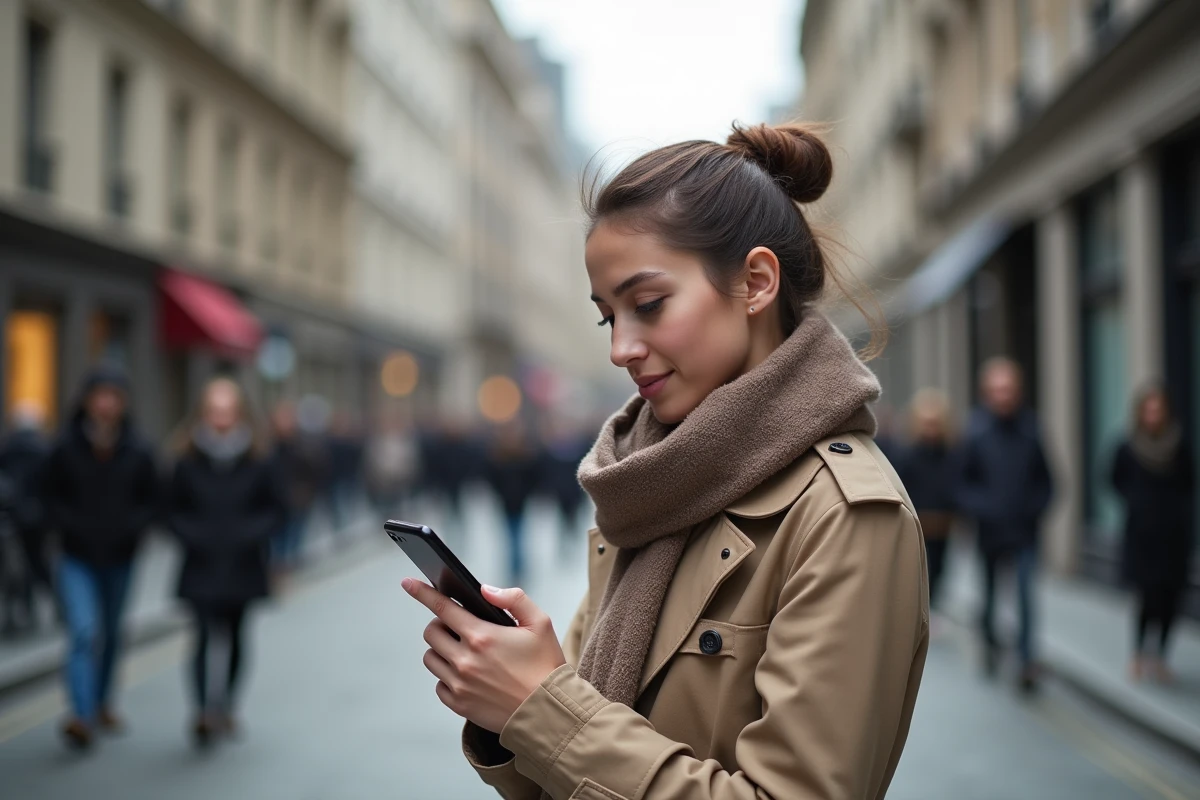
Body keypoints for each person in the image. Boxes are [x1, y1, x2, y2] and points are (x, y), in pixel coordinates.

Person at [402, 123, 928, 800]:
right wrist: (509, 710)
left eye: (648, 305)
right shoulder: (646, 485)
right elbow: (575, 771)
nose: (621, 347)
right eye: (607, 317)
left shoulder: (846, 515)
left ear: (757, 283)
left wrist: (542, 707)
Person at [41, 366, 159, 749]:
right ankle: (82, 713)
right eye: (100, 396)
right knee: (83, 632)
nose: (106, 404)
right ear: (88, 401)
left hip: (120, 557)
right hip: (76, 555)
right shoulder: (65, 446)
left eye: (114, 396)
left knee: (110, 634)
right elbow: (48, 497)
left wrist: (133, 529)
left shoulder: (139, 449)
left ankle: (103, 700)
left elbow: (152, 500)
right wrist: (67, 527)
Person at [167, 378, 285, 747]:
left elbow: (276, 509)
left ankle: (226, 705)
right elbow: (170, 508)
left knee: (234, 636)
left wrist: (249, 534)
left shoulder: (258, 457)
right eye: (214, 410)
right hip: (201, 562)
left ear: (238, 413)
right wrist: (193, 535)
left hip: (243, 564)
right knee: (201, 637)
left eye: (227, 410)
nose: (220, 418)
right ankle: (203, 711)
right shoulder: (186, 458)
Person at [956, 357, 1054, 692]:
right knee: (990, 596)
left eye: (1008, 389)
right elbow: (961, 484)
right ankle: (989, 643)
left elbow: (1049, 481)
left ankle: (1026, 661)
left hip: (1025, 531)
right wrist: (985, 509)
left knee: (1027, 598)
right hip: (990, 532)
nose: (1004, 395)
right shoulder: (975, 432)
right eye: (997, 390)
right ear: (987, 393)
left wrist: (1034, 509)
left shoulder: (1030, 430)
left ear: (1018, 391)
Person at [1111, 384, 1194, 684]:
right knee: (1146, 597)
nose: (1153, 415)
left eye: (1158, 409)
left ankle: (1160, 657)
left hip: (1173, 537)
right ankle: (1138, 654)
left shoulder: (1179, 446)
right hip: (1142, 537)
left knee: (1170, 598)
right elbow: (1113, 479)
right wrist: (1137, 502)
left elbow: (1189, 483)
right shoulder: (1127, 447)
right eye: (1148, 409)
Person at [895, 389, 958, 615]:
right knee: (921, 573)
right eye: (926, 423)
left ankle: (932, 610)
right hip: (919, 524)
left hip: (943, 524)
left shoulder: (950, 454)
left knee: (940, 571)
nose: (931, 428)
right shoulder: (908, 455)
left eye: (935, 423)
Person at [0, 402, 52, 634]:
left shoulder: (8, 448)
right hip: (37, 517)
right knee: (38, 562)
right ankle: (55, 607)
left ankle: (19, 612)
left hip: (12, 516)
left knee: (14, 567)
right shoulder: (43, 449)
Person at [483, 421, 541, 586]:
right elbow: (491, 478)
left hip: (520, 503)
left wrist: (528, 493)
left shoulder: (526, 456)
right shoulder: (497, 457)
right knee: (512, 537)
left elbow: (534, 477)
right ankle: (516, 569)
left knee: (517, 537)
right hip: (506, 503)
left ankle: (518, 569)